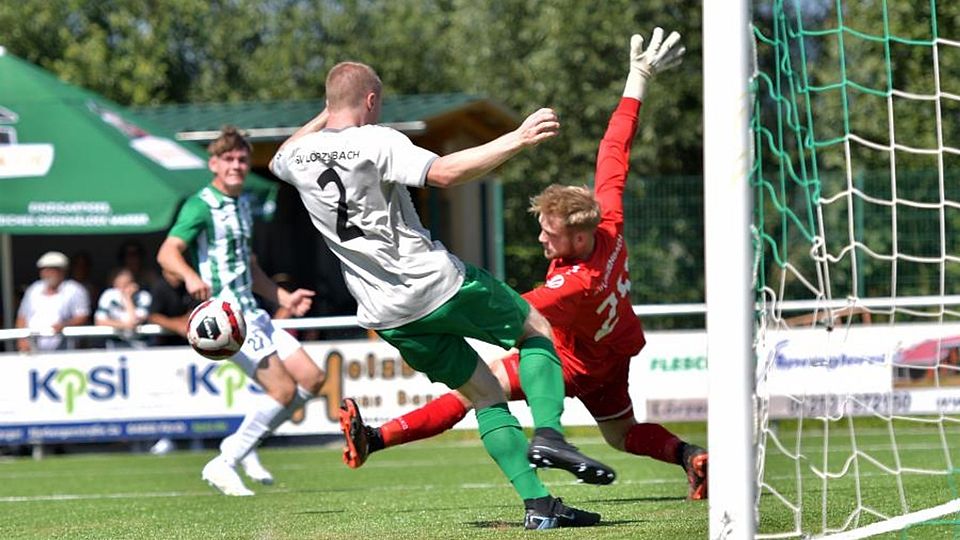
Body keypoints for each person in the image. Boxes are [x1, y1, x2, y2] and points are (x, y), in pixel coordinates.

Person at [335, 28, 708, 501]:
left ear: (577, 236)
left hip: (569, 362)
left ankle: (376, 438)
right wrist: (638, 78)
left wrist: (433, 311)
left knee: (472, 390)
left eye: (548, 235)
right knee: (620, 434)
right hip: (610, 357)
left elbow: (510, 309)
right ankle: (690, 456)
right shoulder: (607, 223)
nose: (539, 239)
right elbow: (615, 151)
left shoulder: (575, 283)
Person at [269, 63, 614, 531]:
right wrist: (518, 138)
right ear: (371, 101)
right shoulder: (378, 140)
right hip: (435, 283)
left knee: (485, 394)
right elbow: (445, 173)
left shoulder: (297, 157)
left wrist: (326, 115)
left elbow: (284, 151)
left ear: (330, 102)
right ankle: (550, 434)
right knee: (536, 330)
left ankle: (539, 505)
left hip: (385, 313)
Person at [157, 126, 325, 496]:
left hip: (255, 312)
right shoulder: (201, 204)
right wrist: (188, 276)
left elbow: (248, 267)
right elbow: (167, 252)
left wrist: (283, 298)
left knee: (312, 379)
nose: (236, 165)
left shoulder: (244, 202)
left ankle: (244, 448)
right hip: (228, 320)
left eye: (242, 158)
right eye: (228, 159)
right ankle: (226, 460)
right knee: (282, 391)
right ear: (214, 163)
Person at [15, 251, 91, 352]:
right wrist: (22, 339)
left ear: (62, 271)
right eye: (44, 270)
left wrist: (64, 325)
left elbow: (83, 315)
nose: (47, 273)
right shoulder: (34, 289)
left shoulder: (74, 289)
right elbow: (22, 317)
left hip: (63, 348)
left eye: (51, 270)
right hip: (32, 348)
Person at [94, 267, 152, 348]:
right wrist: (124, 325)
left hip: (139, 344)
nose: (122, 289)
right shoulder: (108, 295)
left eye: (126, 284)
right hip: (115, 343)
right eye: (120, 285)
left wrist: (127, 298)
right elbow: (99, 321)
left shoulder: (144, 296)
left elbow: (134, 321)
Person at [146, 270, 198, 347]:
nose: (175, 277)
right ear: (164, 273)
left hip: (188, 342)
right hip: (164, 343)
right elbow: (153, 317)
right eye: (172, 273)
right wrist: (177, 326)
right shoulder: (159, 287)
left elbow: (194, 312)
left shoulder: (190, 286)